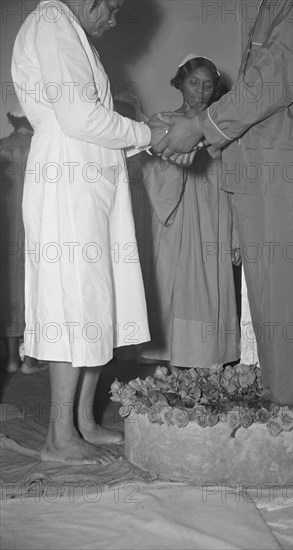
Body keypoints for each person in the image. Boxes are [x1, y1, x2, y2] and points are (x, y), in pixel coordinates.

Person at [153, 0, 293, 414]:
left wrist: (199, 126)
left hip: (283, 173)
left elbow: (274, 79)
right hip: (276, 171)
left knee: (286, 308)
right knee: (286, 312)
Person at [11, 0, 168, 465]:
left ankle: (82, 422)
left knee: (97, 300)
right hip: (68, 175)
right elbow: (80, 117)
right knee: (71, 302)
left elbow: (91, 117)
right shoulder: (51, 19)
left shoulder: (71, 29)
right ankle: (58, 438)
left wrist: (143, 134)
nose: (114, 19)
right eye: (112, 8)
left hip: (92, 177)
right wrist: (149, 134)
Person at [138, 55, 240, 368]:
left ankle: (207, 359)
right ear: (180, 82)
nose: (200, 90)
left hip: (214, 216)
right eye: (193, 82)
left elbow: (237, 179)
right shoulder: (162, 122)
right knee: (170, 281)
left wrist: (237, 233)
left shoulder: (224, 127)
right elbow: (151, 171)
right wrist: (172, 161)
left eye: (208, 85)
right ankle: (171, 359)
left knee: (209, 286)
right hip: (174, 216)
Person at [0, 105, 47, 374]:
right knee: (34, 289)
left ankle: (10, 359)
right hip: (35, 230)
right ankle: (30, 359)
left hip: (5, 230)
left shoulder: (2, 147)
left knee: (8, 291)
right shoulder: (41, 148)